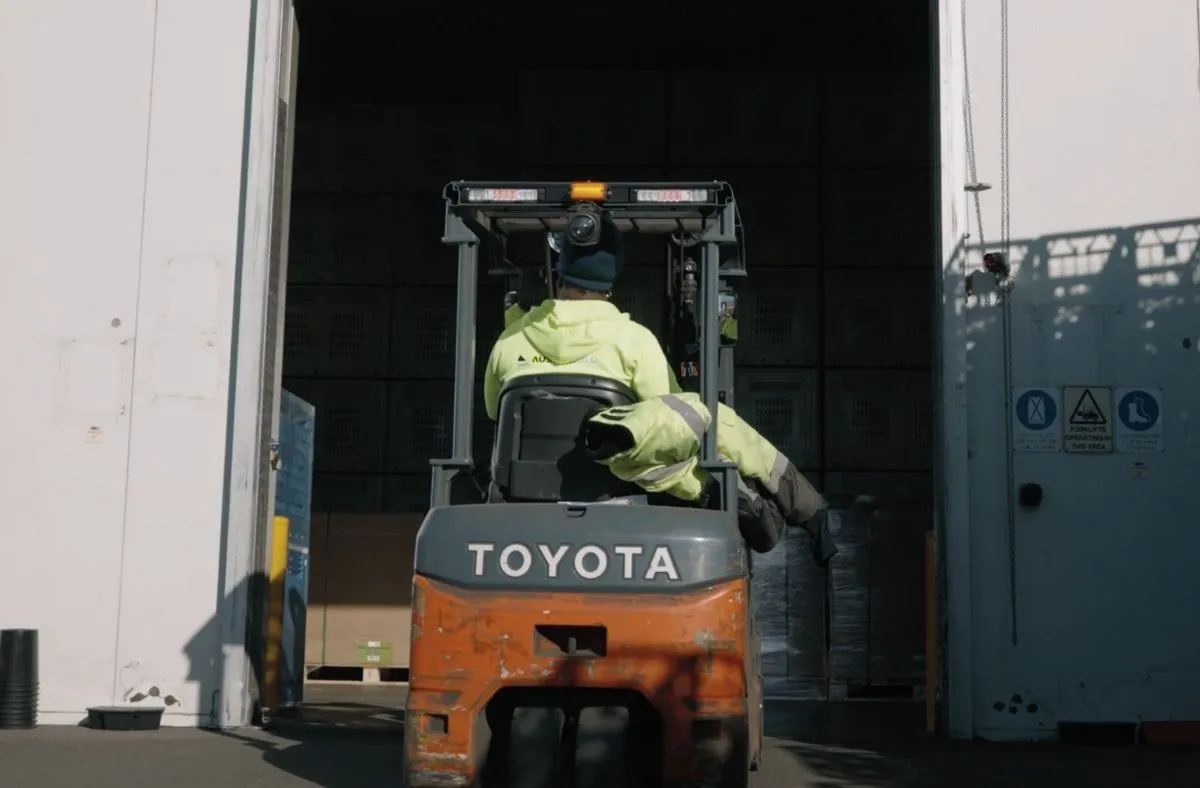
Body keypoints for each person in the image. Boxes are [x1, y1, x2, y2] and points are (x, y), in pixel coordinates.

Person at [482, 214, 832, 562]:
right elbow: (674, 424)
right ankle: (781, 503)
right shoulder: (634, 342)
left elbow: (493, 411)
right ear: (611, 278)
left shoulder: (509, 340)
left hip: (525, 496)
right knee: (697, 417)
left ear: (560, 272)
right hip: (618, 497)